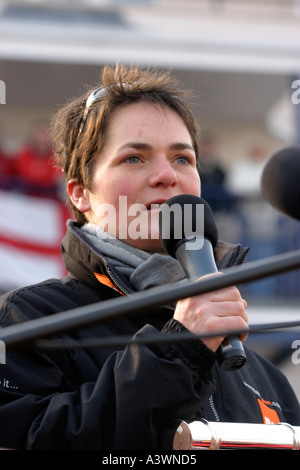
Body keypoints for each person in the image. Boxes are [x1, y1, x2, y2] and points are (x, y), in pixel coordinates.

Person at [0, 64, 299, 450]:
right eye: (134, 158)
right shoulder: (29, 322)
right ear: (80, 194)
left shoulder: (263, 374)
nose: (166, 175)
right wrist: (179, 352)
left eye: (182, 159)